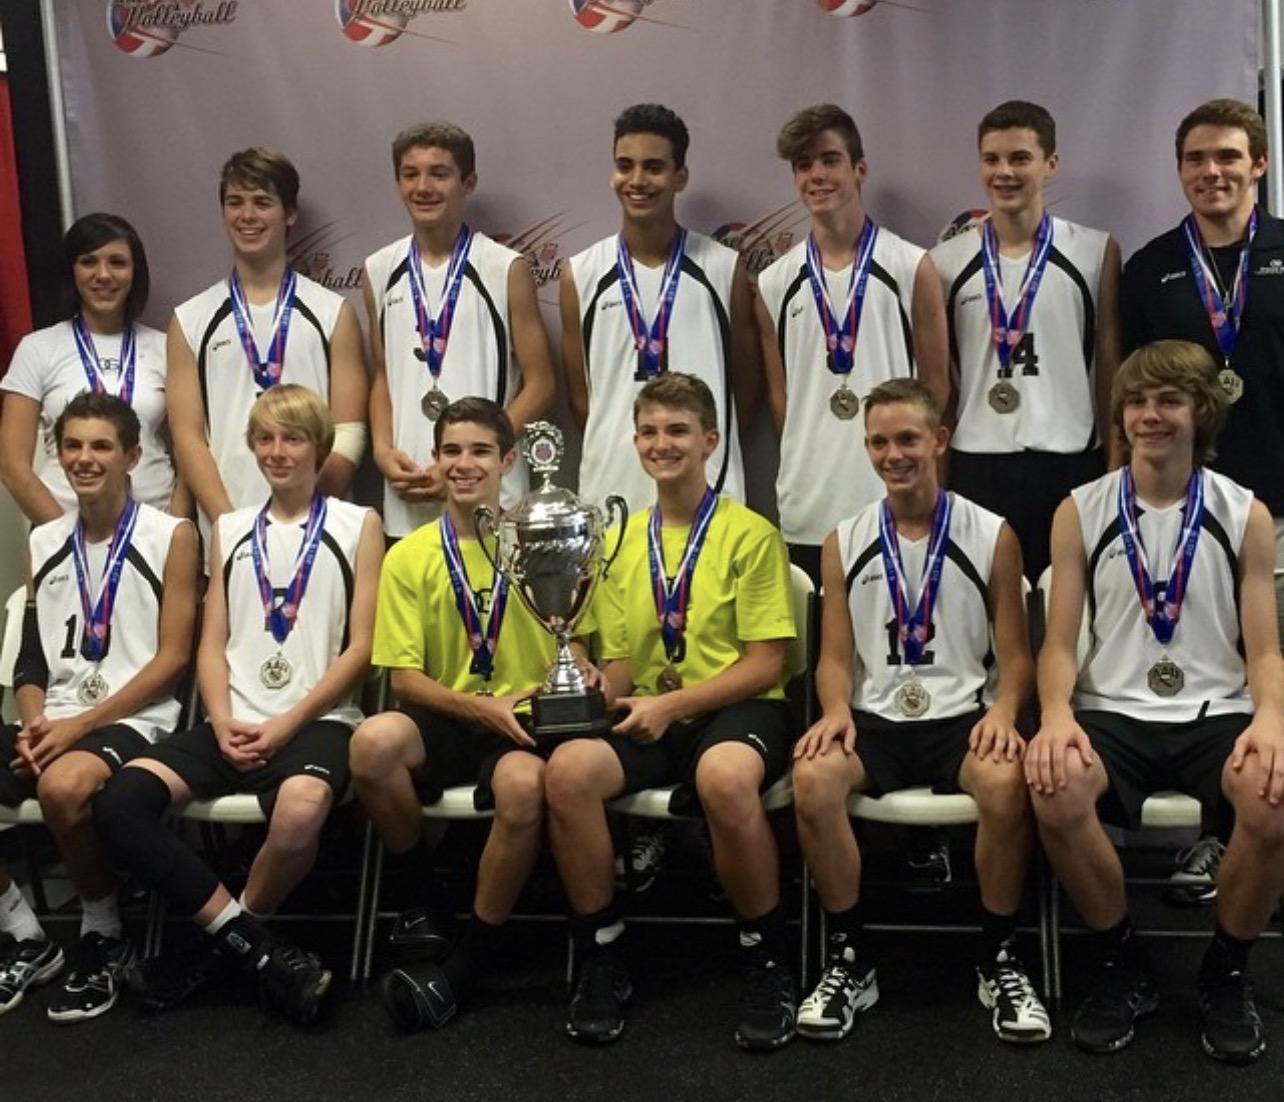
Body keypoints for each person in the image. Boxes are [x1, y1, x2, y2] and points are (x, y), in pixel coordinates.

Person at [92, 384, 382, 1025]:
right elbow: (213, 641)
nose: (278, 452)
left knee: (300, 812)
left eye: (293, 438)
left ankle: (219, 948)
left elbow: (361, 649)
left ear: (319, 446)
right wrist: (221, 720)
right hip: (231, 720)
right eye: (265, 439)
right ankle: (256, 949)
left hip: (317, 721)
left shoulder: (358, 523)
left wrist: (287, 723)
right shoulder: (229, 528)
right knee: (119, 801)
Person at [1027, 340, 1284, 1064]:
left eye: (1169, 400)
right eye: (1136, 402)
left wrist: (1272, 718)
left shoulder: (1245, 513)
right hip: (1110, 708)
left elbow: (1265, 650)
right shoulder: (1079, 510)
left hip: (1216, 708)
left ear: (1201, 412)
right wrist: (1055, 716)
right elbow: (1060, 644)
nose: (1149, 415)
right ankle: (1122, 961)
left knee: (1273, 795)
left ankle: (1225, 971)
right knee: (1053, 786)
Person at [790, 377, 1049, 1046]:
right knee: (813, 780)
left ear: (939, 439)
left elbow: (1016, 655)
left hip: (962, 717)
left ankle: (999, 955)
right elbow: (835, 657)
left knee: (1006, 783)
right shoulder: (844, 540)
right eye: (879, 442)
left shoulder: (992, 534)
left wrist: (1005, 711)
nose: (893, 455)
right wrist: (834, 710)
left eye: (907, 439)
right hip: (875, 720)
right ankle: (849, 956)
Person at [544, 373, 797, 1050]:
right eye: (650, 432)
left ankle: (766, 955)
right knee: (567, 772)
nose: (663, 444)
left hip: (738, 706)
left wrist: (672, 705)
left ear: (710, 441)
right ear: (634, 443)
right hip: (651, 710)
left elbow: (766, 664)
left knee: (725, 779)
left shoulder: (750, 534)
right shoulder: (621, 540)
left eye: (678, 431)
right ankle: (601, 951)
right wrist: (596, 682)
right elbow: (624, 660)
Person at [349, 397, 570, 1029]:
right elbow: (404, 679)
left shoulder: (541, 541)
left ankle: (473, 953)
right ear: (436, 459)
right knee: (371, 744)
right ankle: (424, 893)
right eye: (451, 451)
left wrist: (534, 694)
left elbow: (577, 643)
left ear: (509, 461)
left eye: (480, 451)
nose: (464, 464)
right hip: (449, 715)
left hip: (520, 721)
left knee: (524, 787)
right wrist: (478, 706)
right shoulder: (409, 555)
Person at [0, 392, 197, 1021]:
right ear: (58, 454)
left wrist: (77, 726)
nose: (85, 459)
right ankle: (25, 934)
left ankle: (102, 934)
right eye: (73, 446)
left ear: (132, 456)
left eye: (101, 446)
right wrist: (35, 721)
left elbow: (173, 659)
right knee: (50, 767)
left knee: (62, 788)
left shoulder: (172, 535)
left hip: (134, 717)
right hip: (55, 718)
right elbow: (31, 659)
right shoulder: (44, 539)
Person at [756, 103, 949, 586]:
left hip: (892, 497)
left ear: (860, 169)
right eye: (804, 165)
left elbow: (937, 388)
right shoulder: (774, 281)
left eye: (830, 160)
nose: (816, 175)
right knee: (817, 631)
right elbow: (781, 400)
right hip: (808, 501)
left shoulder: (911, 266)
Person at [931, 100, 1121, 582]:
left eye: (1020, 158)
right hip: (978, 462)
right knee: (986, 606)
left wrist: (1116, 464)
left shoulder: (1095, 251)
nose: (1004, 172)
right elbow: (939, 383)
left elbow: (1109, 366)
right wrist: (937, 478)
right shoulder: (944, 262)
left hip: (1070, 459)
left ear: (1050, 163)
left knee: (1070, 602)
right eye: (991, 159)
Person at [1120, 100, 1284, 637]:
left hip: (1281, 501)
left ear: (1259, 163)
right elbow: (1132, 395)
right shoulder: (1150, 268)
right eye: (1195, 159)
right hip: (1188, 508)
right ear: (1180, 170)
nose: (1211, 171)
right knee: (1204, 659)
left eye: (1227, 157)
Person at [562, 103, 758, 512]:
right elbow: (582, 398)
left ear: (679, 177)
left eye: (653, 167)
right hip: (612, 491)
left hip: (710, 486)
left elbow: (745, 388)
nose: (637, 180)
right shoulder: (580, 274)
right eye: (625, 166)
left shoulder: (724, 268)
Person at [364, 122, 556, 539]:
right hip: (408, 489)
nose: (423, 187)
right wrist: (381, 451)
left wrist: (470, 457)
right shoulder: (378, 270)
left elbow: (541, 383)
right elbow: (383, 375)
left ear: (468, 183)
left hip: (491, 495)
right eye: (410, 174)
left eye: (439, 174)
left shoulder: (505, 268)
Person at [167, 148, 367, 533]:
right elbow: (188, 438)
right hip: (227, 528)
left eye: (262, 202)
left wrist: (306, 510)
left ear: (289, 214)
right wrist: (230, 525)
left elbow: (349, 430)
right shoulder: (189, 321)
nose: (247, 215)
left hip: (320, 529)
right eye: (235, 202)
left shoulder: (333, 313)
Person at [1, 213, 180, 521]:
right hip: (63, 527)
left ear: (135, 272)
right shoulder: (37, 348)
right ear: (72, 270)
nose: (103, 274)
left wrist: (174, 528)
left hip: (153, 529)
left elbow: (189, 449)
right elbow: (12, 466)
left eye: (117, 263)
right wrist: (66, 537)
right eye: (88, 262)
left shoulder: (167, 348)